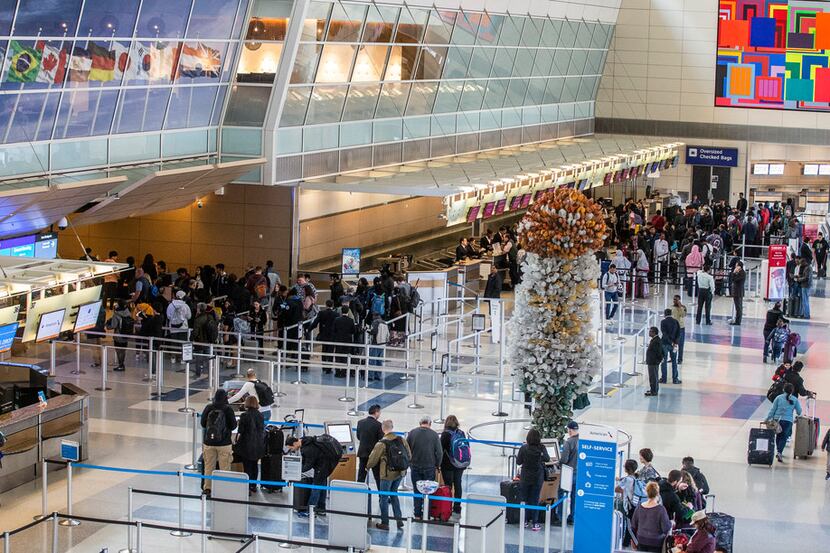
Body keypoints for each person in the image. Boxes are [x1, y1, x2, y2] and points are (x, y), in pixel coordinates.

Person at [367, 419, 411, 530]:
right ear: (392, 427)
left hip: (387, 475)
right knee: (394, 494)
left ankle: (385, 522)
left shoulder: (381, 443)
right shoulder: (401, 439)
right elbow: (409, 455)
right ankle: (399, 520)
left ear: (383, 429)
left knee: (384, 497)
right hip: (400, 473)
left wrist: (367, 467)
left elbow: (373, 459)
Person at [285, 434, 342, 515]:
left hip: (324, 465)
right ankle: (321, 509)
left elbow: (308, 465)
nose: (292, 450)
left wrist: (296, 471)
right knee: (322, 484)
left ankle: (310, 511)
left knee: (315, 487)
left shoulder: (307, 448)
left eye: (291, 448)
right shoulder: (304, 440)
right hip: (326, 462)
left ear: (294, 443)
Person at [200, 389, 238, 496]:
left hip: (209, 442)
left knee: (209, 466)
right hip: (224, 443)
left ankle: (207, 489)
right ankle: (223, 489)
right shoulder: (228, 409)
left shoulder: (209, 407)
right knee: (224, 467)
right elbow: (233, 426)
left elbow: (203, 424)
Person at [406, 416, 443, 519]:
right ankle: (426, 513)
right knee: (429, 491)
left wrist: (409, 463)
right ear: (430, 424)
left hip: (415, 466)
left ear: (420, 423)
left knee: (416, 490)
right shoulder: (434, 435)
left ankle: (417, 514)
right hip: (430, 467)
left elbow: (406, 449)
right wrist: (437, 465)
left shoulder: (412, 433)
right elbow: (439, 453)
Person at [517, 429, 551, 531]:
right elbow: (547, 459)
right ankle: (535, 523)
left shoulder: (524, 448)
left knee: (524, 499)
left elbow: (518, 462)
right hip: (537, 477)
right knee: (535, 499)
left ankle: (524, 521)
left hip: (525, 477)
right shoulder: (541, 448)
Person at [235, 396, 265, 494]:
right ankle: (253, 485)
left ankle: (247, 486)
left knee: (247, 466)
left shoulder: (244, 415)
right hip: (258, 444)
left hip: (246, 444)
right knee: (255, 465)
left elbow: (241, 431)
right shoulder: (260, 415)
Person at [356, 404, 384, 509]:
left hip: (363, 454)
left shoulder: (360, 423)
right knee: (378, 477)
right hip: (374, 456)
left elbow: (358, 436)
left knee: (361, 476)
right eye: (379, 412)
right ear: (376, 412)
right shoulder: (378, 425)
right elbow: (381, 441)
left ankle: (358, 495)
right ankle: (382, 497)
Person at [440, 415, 469, 516]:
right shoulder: (461, 433)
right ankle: (457, 507)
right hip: (459, 464)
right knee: (458, 484)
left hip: (447, 464)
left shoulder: (445, 435)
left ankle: (447, 506)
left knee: (448, 486)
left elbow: (440, 450)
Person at [630, 482, 671, 552]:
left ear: (646, 492)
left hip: (641, 540)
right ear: (658, 493)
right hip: (656, 542)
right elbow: (666, 529)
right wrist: (671, 523)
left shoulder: (639, 507)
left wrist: (632, 540)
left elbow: (633, 526)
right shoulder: (661, 509)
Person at [767, 383, 802, 463]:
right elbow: (799, 412)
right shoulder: (795, 399)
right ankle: (779, 452)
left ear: (783, 389)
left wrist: (767, 418)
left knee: (778, 435)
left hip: (777, 420)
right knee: (784, 437)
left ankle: (778, 450)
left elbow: (773, 410)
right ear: (792, 391)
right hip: (788, 421)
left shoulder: (778, 398)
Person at [559, 420, 579, 524]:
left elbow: (564, 460)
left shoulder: (568, 442)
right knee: (575, 496)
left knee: (562, 493)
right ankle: (572, 517)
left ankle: (560, 517)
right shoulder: (583, 441)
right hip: (579, 473)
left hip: (569, 473)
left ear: (570, 431)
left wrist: (559, 462)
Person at [107, 300, 133, 372]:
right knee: (123, 351)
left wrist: (108, 325)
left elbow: (113, 325)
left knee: (118, 351)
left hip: (118, 336)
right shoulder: (128, 313)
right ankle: (122, 364)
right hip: (126, 335)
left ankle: (121, 365)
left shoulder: (116, 314)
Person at [659, 310, 681, 385]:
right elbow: (678, 333)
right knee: (674, 362)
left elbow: (664, 334)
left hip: (665, 344)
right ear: (671, 314)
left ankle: (664, 379)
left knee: (664, 362)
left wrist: (670, 342)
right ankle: (675, 379)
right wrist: (675, 343)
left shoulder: (663, 322)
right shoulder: (676, 321)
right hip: (674, 345)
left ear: (665, 314)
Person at [645, 326, 663, 397]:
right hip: (653, 362)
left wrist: (657, 360)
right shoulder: (655, 339)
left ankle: (654, 391)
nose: (649, 333)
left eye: (650, 331)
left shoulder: (656, 341)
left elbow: (658, 352)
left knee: (653, 377)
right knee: (654, 376)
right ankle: (654, 389)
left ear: (654, 332)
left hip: (653, 362)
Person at [670, 295, 688, 364]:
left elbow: (683, 315)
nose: (674, 301)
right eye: (674, 299)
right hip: (673, 327)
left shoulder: (682, 307)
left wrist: (680, 307)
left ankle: (680, 359)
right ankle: (672, 357)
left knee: (680, 344)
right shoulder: (671, 307)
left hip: (680, 328)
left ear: (679, 300)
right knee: (673, 343)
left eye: (676, 300)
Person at [729, 260, 746, 325]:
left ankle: (738, 321)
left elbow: (734, 279)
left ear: (739, 266)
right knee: (738, 307)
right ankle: (737, 320)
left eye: (736, 265)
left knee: (738, 307)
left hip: (738, 292)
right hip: (736, 292)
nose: (735, 267)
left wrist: (734, 272)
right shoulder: (739, 273)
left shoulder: (742, 273)